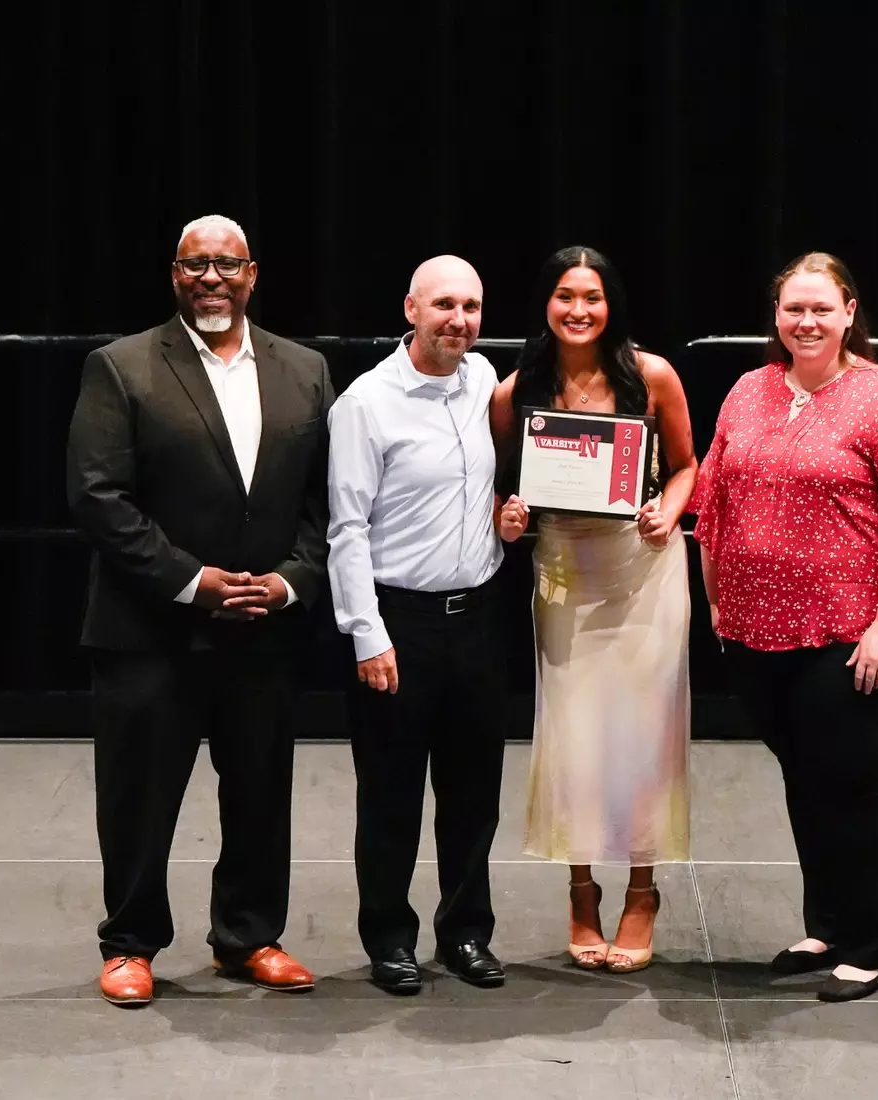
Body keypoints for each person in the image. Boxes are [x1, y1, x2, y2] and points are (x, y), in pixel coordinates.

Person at [65, 214, 334, 1006]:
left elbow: (327, 498)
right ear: (174, 274)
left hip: (264, 626)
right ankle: (129, 944)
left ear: (253, 274)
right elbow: (97, 496)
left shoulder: (305, 369)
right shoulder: (121, 367)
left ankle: (248, 938)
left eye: (227, 264)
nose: (211, 278)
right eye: (195, 265)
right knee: (139, 797)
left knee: (259, 792)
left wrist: (290, 580)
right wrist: (191, 580)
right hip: (151, 627)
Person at [689, 252, 878, 1002]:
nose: (806, 322)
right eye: (793, 309)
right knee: (806, 782)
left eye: (820, 309)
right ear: (776, 316)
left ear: (848, 313)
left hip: (851, 633)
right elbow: (715, 499)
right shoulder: (750, 390)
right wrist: (717, 599)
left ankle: (873, 945)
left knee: (853, 784)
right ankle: (830, 925)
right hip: (757, 631)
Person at [491, 246, 698, 974]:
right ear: (545, 303)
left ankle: (642, 892)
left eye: (593, 297)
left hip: (644, 572)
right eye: (565, 295)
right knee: (575, 737)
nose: (578, 310)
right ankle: (581, 891)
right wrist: (506, 518)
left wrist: (670, 512)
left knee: (644, 737)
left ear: (612, 305)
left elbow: (687, 467)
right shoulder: (515, 390)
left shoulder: (653, 375)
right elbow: (499, 487)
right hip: (564, 575)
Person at [327, 255, 510, 995]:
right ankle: (389, 939)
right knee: (391, 795)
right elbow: (346, 529)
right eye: (443, 305)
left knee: (474, 794)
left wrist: (507, 519)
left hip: (479, 619)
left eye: (471, 307)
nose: (458, 321)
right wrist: (366, 633)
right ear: (411, 309)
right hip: (398, 622)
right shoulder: (366, 403)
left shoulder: (486, 381)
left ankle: (466, 933)